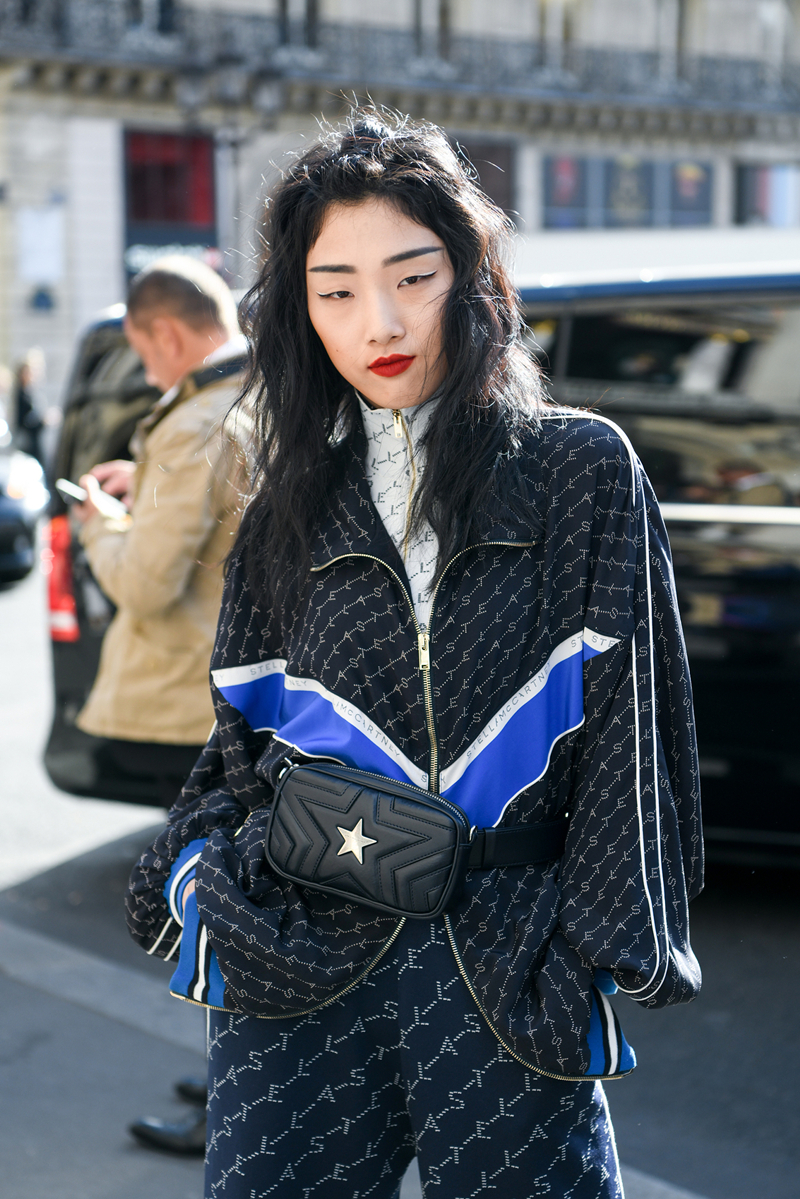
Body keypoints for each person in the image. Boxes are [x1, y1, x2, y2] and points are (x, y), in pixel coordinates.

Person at [127, 112, 703, 1198]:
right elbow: (240, 737)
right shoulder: (289, 499)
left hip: (505, 963)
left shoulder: (578, 468)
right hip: (299, 954)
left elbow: (639, 727)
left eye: (412, 276)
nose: (379, 321)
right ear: (299, 311)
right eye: (335, 290)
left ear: (471, 277)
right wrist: (201, 880)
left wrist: (595, 949)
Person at [73, 255, 251, 1154]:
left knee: (216, 911)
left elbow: (146, 583)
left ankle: (235, 1103)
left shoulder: (194, 420)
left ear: (168, 333)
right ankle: (230, 1077)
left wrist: (98, 526)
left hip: (191, 701)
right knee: (237, 900)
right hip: (239, 693)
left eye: (145, 353)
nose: (147, 371)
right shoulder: (254, 390)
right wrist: (141, 488)